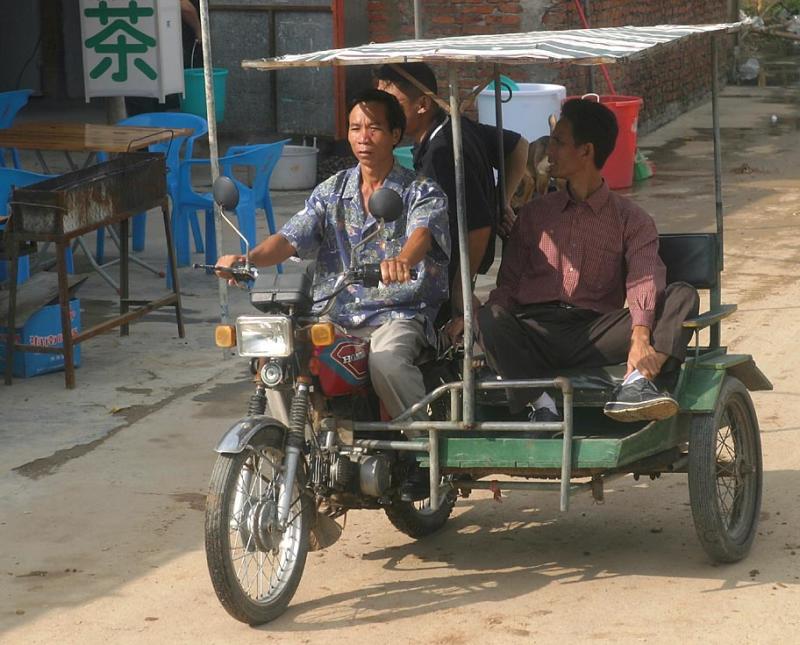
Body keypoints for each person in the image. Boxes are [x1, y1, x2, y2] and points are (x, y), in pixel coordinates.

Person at [216, 88, 450, 430]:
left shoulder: (421, 190)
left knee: (386, 363)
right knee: (275, 356)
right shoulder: (333, 189)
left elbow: (421, 235)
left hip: (396, 313)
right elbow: (290, 238)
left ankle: (419, 445)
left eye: (374, 128)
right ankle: (292, 445)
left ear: (395, 134)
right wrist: (246, 258)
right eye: (355, 128)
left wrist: (401, 261)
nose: (363, 138)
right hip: (335, 314)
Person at [460, 98, 699, 423]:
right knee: (489, 315)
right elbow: (508, 288)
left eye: (558, 143)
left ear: (586, 151)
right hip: (535, 331)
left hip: (595, 333)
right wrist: (482, 329)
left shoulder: (631, 219)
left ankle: (638, 382)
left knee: (682, 295)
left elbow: (644, 278)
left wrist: (641, 336)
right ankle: (542, 404)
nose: (549, 152)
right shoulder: (532, 216)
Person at [375, 63, 529, 319]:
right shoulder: (451, 123)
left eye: (393, 104)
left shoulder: (442, 153)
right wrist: (501, 201)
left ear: (422, 105)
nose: (383, 114)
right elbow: (517, 146)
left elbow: (478, 226)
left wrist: (461, 289)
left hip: (449, 271)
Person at [125, 0, 203, 116]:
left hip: (136, 41)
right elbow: (185, 7)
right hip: (156, 42)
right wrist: (199, 31)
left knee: (142, 96)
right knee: (157, 98)